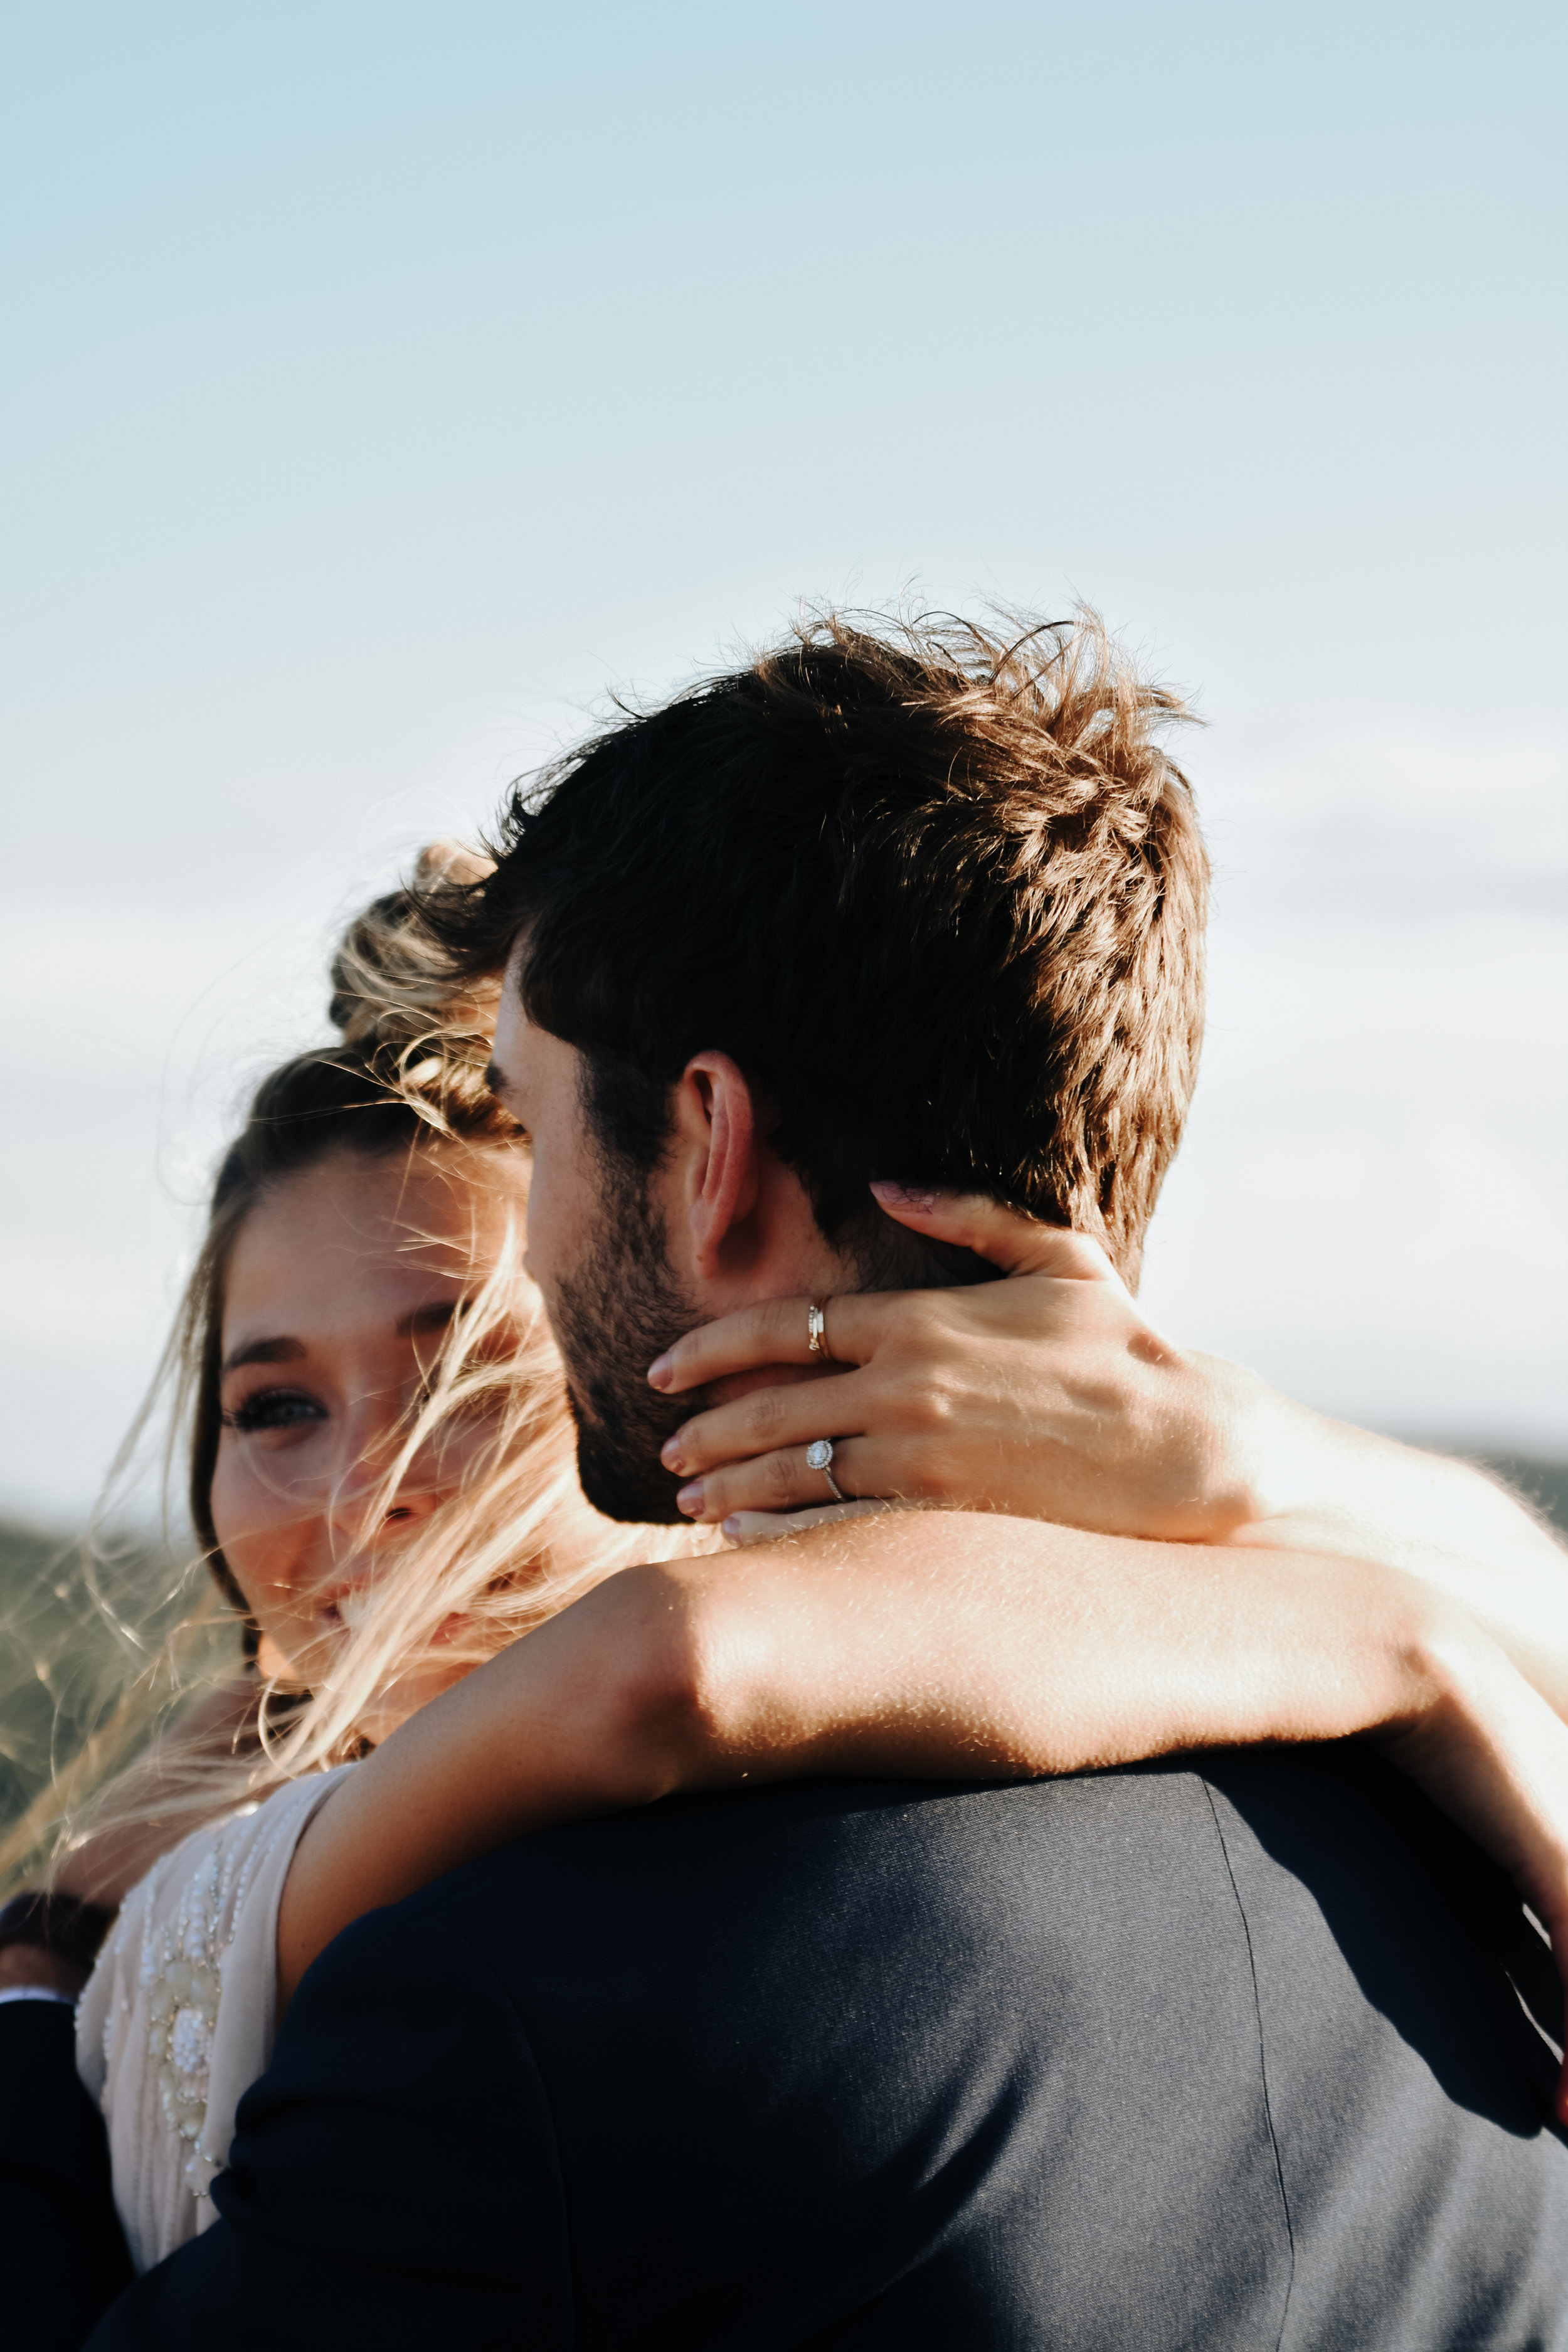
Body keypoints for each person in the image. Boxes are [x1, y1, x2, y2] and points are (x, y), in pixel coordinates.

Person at [6, 610, 1568, 2345]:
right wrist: (1396, 1636)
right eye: (274, 1406)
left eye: (534, 1132)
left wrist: (45, 1979)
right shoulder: (1460, 1876)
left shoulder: (523, 2010)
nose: (372, 1484)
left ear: (707, 1147)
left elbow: (667, 1670)